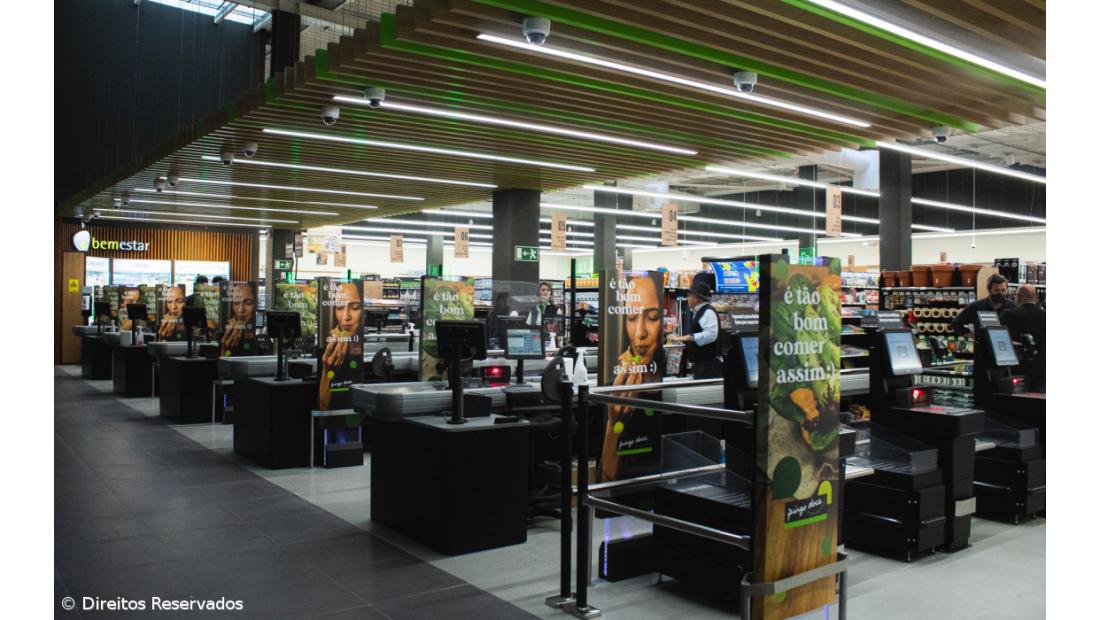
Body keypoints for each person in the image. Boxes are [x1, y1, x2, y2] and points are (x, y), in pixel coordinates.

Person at [598, 274, 664, 482]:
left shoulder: (658, 389)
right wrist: (613, 427)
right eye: (632, 317)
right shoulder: (612, 390)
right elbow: (605, 482)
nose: (639, 333)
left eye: (652, 317)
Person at [318, 282, 364, 411]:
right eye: (339, 307)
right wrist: (327, 373)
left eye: (355, 307)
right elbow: (322, 410)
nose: (346, 317)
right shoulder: (328, 346)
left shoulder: (362, 345)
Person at [670, 281, 722, 378]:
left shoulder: (708, 312)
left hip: (707, 366)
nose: (687, 298)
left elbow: (711, 335)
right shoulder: (699, 312)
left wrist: (688, 337)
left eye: (689, 296)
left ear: (696, 298)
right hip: (701, 365)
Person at [1002, 284, 1045, 392]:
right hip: (1042, 369)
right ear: (1035, 297)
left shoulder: (1009, 315)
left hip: (1017, 369)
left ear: (1019, 297)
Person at [950, 273, 1018, 335]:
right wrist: (968, 333)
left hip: (1006, 343)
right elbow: (955, 323)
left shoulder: (1012, 306)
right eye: (997, 290)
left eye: (1003, 290)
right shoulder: (976, 306)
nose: (1000, 293)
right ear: (989, 290)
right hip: (983, 344)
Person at [220, 282, 257, 356]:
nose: (241, 310)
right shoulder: (226, 328)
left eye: (248, 303)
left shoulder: (259, 330)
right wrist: (224, 349)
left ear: (256, 304)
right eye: (236, 303)